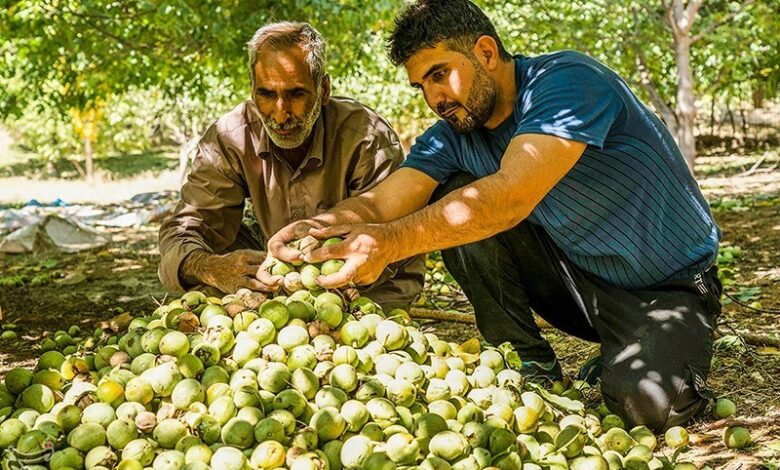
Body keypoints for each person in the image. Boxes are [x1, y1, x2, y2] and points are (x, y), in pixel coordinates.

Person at [262, 0, 722, 432]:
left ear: (485, 51)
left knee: (650, 408)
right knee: (451, 194)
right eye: (422, 86)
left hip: (666, 288)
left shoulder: (566, 82)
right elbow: (383, 202)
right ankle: (528, 361)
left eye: (440, 74)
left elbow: (510, 196)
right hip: (579, 282)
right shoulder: (456, 132)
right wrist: (321, 227)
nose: (435, 98)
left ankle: (631, 352)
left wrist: (389, 243)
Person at [158, 21, 424, 310]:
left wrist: (338, 279)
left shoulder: (365, 137)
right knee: (202, 262)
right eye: (267, 94)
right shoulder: (230, 138)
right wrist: (211, 267)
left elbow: (393, 232)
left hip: (367, 280)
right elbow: (185, 230)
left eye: (296, 94)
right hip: (278, 280)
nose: (280, 114)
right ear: (252, 89)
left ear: (323, 90)